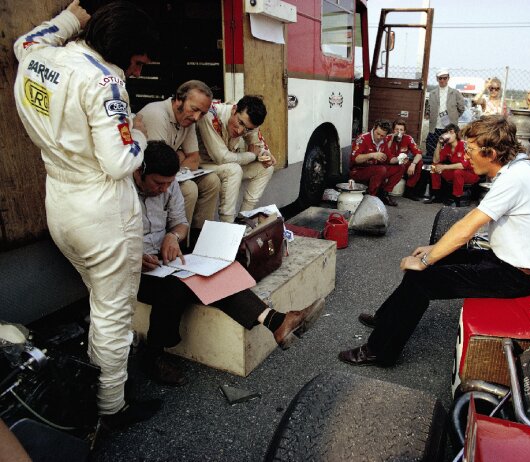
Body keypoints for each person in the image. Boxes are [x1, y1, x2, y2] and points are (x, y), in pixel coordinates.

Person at [13, 1, 160, 429]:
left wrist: (68, 20)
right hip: (103, 213)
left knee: (100, 304)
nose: (135, 72)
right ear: (121, 49)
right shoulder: (104, 81)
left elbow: (26, 41)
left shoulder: (39, 56)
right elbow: (119, 162)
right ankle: (110, 408)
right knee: (113, 314)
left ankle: (93, 379)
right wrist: (142, 138)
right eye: (137, 63)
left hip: (59, 202)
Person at [339, 116, 530, 367]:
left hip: (517, 276)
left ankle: (380, 351)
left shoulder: (514, 178)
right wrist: (433, 251)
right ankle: (386, 319)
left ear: (492, 153)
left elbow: (467, 227)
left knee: (422, 279)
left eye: (471, 150)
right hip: (506, 261)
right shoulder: (517, 169)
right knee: (428, 264)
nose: (467, 155)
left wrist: (426, 259)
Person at [136, 141, 325, 385]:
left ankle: (277, 321)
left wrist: (173, 237)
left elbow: (180, 223)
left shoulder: (168, 185)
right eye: (157, 183)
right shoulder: (122, 193)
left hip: (164, 260)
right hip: (134, 269)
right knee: (178, 286)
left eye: (167, 184)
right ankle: (153, 354)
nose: (163, 189)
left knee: (215, 271)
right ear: (140, 172)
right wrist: (135, 256)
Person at [138, 80, 221, 235]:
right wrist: (181, 155)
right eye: (195, 109)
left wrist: (178, 157)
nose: (197, 117)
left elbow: (194, 160)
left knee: (212, 181)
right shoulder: (157, 114)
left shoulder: (188, 118)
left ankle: (200, 236)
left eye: (202, 113)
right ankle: (180, 241)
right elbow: (159, 166)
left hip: (171, 172)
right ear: (178, 100)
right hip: (149, 178)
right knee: (189, 189)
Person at [196, 95, 276, 223]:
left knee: (266, 168)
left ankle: (243, 219)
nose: (240, 131)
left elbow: (258, 145)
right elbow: (221, 157)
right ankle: (227, 224)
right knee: (233, 170)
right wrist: (252, 155)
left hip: (225, 165)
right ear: (234, 110)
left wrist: (266, 155)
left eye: (247, 129)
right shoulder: (211, 115)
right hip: (202, 165)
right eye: (240, 123)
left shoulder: (249, 123)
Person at [423, 124, 479, 207]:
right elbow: (436, 160)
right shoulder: (447, 146)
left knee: (458, 172)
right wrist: (438, 145)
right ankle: (436, 195)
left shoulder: (463, 145)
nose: (447, 134)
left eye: (451, 132)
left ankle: (457, 201)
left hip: (470, 174)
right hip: (457, 173)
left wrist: (444, 167)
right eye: (446, 132)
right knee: (435, 166)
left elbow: (463, 165)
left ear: (456, 134)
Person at [349, 120, 400, 206]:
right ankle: (370, 198)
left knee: (400, 167)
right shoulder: (363, 138)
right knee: (381, 169)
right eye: (377, 134)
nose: (379, 137)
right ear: (374, 128)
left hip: (375, 169)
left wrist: (399, 159)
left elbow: (388, 158)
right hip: (358, 171)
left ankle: (384, 193)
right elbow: (355, 159)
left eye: (382, 135)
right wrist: (372, 155)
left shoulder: (383, 141)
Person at [426, 69, 465, 162]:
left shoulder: (455, 93)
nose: (442, 80)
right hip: (435, 128)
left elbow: (461, 108)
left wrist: (453, 118)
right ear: (437, 79)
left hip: (449, 129)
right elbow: (428, 108)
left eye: (444, 78)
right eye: (440, 78)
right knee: (431, 149)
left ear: (448, 78)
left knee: (449, 151)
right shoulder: (432, 93)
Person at [384, 119, 424, 201]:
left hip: (402, 163)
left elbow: (418, 154)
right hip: (389, 163)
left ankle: (409, 190)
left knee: (419, 163)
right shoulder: (388, 137)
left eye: (401, 130)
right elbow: (384, 152)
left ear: (404, 131)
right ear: (393, 130)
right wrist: (392, 138)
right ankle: (385, 192)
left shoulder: (408, 138)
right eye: (396, 129)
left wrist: (413, 164)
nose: (399, 132)